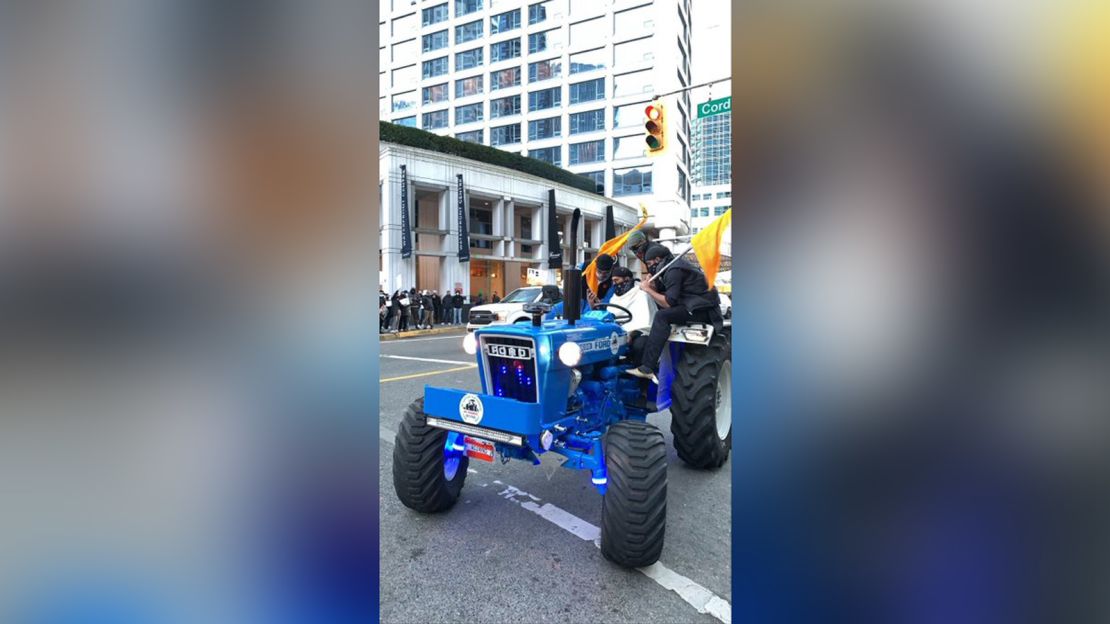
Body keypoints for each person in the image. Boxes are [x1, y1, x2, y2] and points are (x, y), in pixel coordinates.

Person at [627, 244, 721, 381]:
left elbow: (668, 302)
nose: (649, 267)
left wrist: (648, 290)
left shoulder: (674, 269)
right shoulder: (672, 267)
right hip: (691, 304)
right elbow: (670, 292)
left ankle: (647, 367)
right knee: (661, 314)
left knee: (661, 316)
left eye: (649, 263)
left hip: (703, 309)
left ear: (657, 259)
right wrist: (654, 287)